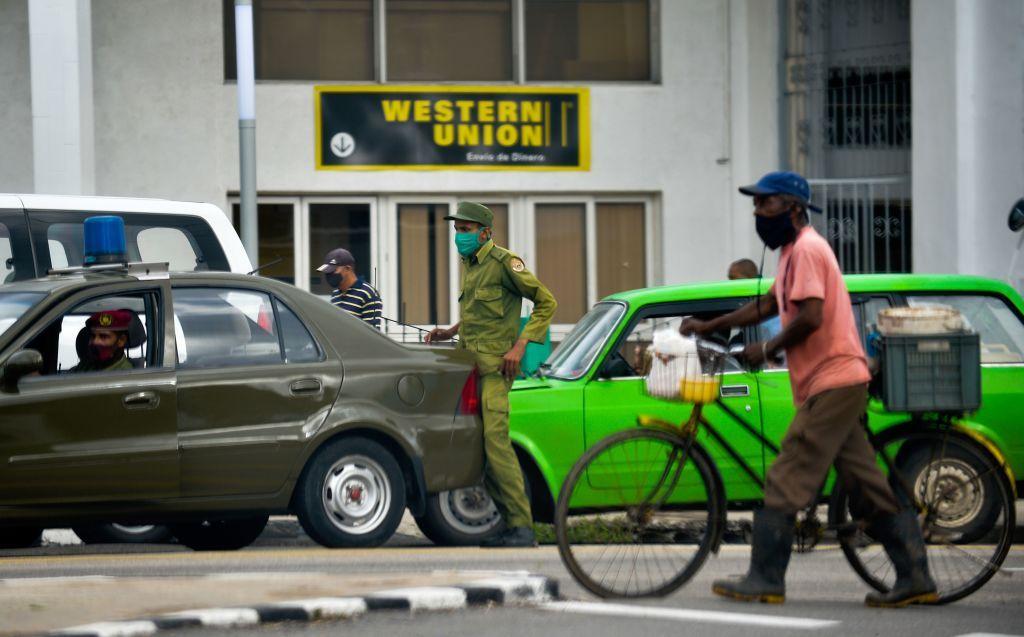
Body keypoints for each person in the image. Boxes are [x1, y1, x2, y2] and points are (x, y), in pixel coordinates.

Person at [682, 171, 936, 608]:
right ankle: (916, 577)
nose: (758, 212)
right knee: (865, 485)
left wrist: (768, 347)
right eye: (756, 205)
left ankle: (765, 578)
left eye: (767, 204)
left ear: (794, 208)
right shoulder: (791, 253)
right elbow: (768, 305)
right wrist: (712, 324)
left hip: (833, 382)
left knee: (786, 474)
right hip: (836, 382)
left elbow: (811, 316)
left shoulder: (808, 250)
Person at [425, 202, 557, 548]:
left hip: (497, 370)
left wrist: (520, 346)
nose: (459, 237)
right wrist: (451, 331)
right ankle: (507, 523)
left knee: (496, 445)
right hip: (472, 367)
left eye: (465, 230)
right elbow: (480, 312)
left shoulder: (504, 263)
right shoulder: (470, 264)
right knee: (477, 446)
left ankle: (522, 526)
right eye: (456, 230)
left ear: (485, 232)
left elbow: (546, 302)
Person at [317, 248, 381, 329]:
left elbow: (372, 334)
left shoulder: (369, 294)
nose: (329, 275)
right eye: (327, 272)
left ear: (348, 268)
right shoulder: (335, 294)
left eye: (333, 270)